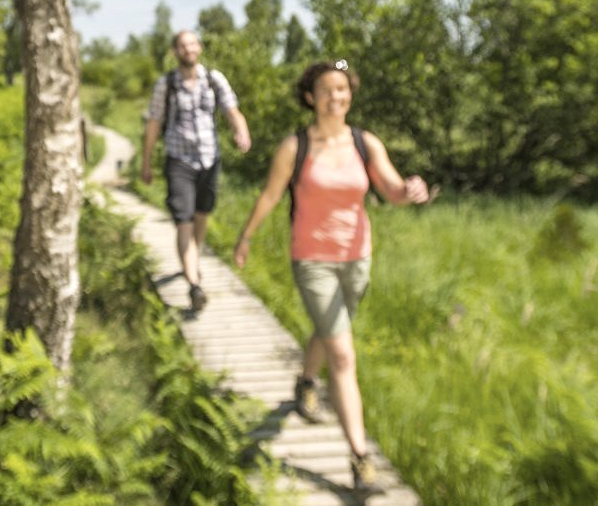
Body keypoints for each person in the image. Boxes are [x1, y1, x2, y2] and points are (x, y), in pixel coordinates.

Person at [231, 60, 430, 494]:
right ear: (310, 97)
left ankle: (304, 382)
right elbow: (269, 195)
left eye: (342, 89)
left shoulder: (365, 142)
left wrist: (409, 191)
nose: (335, 96)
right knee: (342, 353)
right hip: (312, 259)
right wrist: (245, 237)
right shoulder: (295, 146)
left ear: (349, 94)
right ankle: (360, 459)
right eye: (326, 89)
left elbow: (390, 189)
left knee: (330, 329)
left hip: (357, 257)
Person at [140, 29, 251, 312]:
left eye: (192, 44)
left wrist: (242, 131)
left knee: (202, 216)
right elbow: (154, 123)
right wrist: (146, 161)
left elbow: (232, 110)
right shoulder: (166, 84)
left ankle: (192, 260)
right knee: (184, 221)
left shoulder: (214, 79)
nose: (188, 49)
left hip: (209, 159)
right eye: (182, 45)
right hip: (179, 160)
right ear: (175, 51)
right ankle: (193, 284)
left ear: (199, 48)